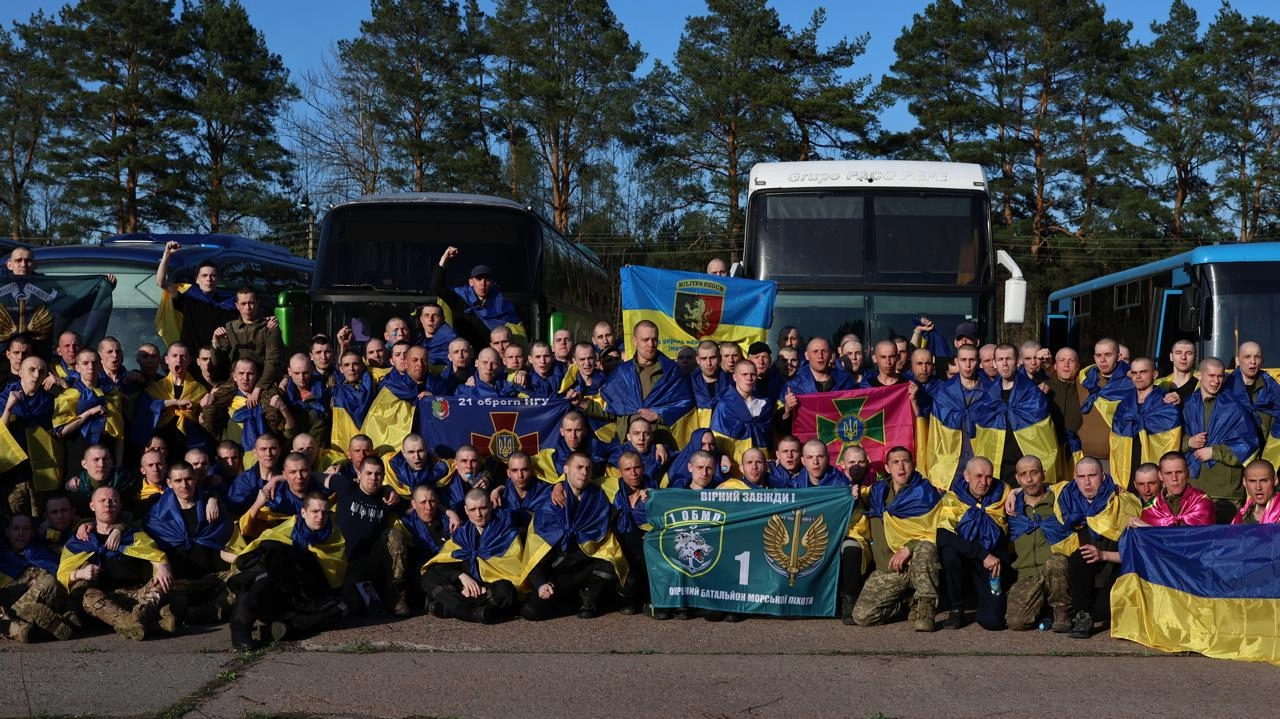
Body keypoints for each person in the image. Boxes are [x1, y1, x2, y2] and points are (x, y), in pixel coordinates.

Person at [227, 492, 347, 650]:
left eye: (325, 512)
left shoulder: (335, 535)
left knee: (340, 609)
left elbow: (333, 576)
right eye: (315, 511)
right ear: (303, 512)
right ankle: (240, 629)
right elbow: (253, 558)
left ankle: (284, 629)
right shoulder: (285, 531)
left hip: (309, 594)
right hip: (276, 592)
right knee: (261, 576)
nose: (320, 516)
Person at [58, 486, 173, 641]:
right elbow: (62, 574)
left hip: (137, 595)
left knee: (161, 581)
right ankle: (137, 621)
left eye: (113, 500)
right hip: (105, 600)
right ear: (92, 506)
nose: (108, 504)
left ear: (119, 505)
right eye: (102, 500)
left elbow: (156, 556)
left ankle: (137, 621)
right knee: (88, 598)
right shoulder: (80, 540)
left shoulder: (133, 534)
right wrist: (79, 574)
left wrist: (163, 567)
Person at [521, 453, 627, 620]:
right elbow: (537, 549)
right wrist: (540, 583)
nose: (584, 472)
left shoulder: (597, 495)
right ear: (566, 470)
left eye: (588, 468)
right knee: (531, 612)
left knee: (609, 564)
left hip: (586, 565)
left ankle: (588, 600)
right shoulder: (550, 502)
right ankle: (572, 602)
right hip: (558, 570)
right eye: (579, 467)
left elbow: (626, 485)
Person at [852, 446, 943, 631]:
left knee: (926, 548)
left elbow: (938, 530)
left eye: (905, 461)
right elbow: (849, 495)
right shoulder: (877, 493)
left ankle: (925, 610)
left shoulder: (927, 493)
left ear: (914, 464)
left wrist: (909, 547)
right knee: (862, 616)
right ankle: (908, 602)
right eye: (895, 462)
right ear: (887, 468)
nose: (901, 467)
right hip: (889, 569)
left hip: (917, 565)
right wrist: (851, 492)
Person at [1052, 456, 1140, 639]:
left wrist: (1104, 555)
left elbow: (1136, 548)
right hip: (1086, 562)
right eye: (1081, 477)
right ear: (1075, 479)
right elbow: (1036, 487)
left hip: (1115, 559)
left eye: (1092, 476)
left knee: (1103, 609)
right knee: (1078, 558)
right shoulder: (1067, 498)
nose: (1087, 482)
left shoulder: (1121, 501)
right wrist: (1014, 491)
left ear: (1103, 476)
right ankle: (1082, 615)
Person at [143, 462, 232, 626]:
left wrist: (213, 498)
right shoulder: (156, 515)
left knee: (243, 577)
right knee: (154, 591)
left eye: (188, 479)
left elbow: (224, 544)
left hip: (211, 579)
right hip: (177, 582)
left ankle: (198, 614)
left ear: (195, 479)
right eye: (178, 481)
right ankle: (143, 620)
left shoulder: (213, 508)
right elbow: (147, 548)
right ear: (169, 483)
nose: (184, 485)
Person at [422, 489, 527, 624]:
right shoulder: (463, 533)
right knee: (428, 577)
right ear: (465, 510)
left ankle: (455, 609)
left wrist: (482, 588)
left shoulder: (506, 529)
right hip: (468, 584)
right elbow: (441, 563)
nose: (478, 514)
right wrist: (460, 576)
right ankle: (474, 612)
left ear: (490, 505)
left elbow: (515, 571)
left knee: (506, 590)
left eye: (482, 508)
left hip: (491, 587)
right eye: (472, 510)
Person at [1181, 357, 1258, 523]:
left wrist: (1214, 452)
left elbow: (1249, 444)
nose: (1216, 381)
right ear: (1199, 375)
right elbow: (1168, 440)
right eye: (1211, 376)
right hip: (1191, 489)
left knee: (1224, 544)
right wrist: (1188, 443)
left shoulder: (1235, 407)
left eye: (1220, 376)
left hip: (1225, 493)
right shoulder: (1185, 405)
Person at [935, 457, 1008, 631]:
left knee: (993, 622)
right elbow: (942, 535)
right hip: (968, 557)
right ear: (967, 476)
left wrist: (1016, 492)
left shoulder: (1004, 493)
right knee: (949, 552)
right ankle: (956, 607)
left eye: (989, 477)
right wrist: (981, 554)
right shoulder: (953, 498)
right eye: (978, 476)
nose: (984, 482)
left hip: (992, 563)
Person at [972, 343, 1058, 487]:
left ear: (1017, 361)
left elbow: (1045, 440)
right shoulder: (987, 397)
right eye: (1000, 359)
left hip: (1027, 472)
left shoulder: (1033, 394)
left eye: (1009, 359)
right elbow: (981, 440)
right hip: (997, 468)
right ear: (994, 363)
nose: (1004, 364)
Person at [1003, 456, 1071, 633]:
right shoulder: (1011, 506)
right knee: (1016, 623)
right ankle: (1043, 609)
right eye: (1023, 475)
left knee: (1056, 561)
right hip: (1027, 575)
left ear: (1043, 474)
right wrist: (1014, 492)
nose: (1029, 479)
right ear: (1017, 479)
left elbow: (1087, 486)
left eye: (1034, 473)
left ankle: (1062, 611)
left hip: (1056, 572)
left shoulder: (1060, 499)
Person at [598, 321, 693, 447]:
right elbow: (611, 406)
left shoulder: (671, 371)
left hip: (662, 443)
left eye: (654, 339)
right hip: (627, 445)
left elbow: (685, 404)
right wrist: (583, 404)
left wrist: (658, 415)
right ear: (635, 341)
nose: (651, 344)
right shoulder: (622, 372)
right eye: (645, 340)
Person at [1108, 357, 1182, 488]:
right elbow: (1115, 444)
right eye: (1134, 373)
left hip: (1153, 475)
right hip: (1128, 471)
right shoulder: (1123, 406)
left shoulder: (1167, 405)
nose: (1138, 376)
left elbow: (1171, 444)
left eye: (1143, 372)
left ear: (1155, 374)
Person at [0, 513, 74, 641]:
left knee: (50, 581)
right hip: (6, 604)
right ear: (7, 532)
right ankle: (42, 626)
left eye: (26, 529)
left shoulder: (39, 551)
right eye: (16, 528)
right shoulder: (3, 556)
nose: (21, 533)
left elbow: (57, 574)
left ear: (33, 532)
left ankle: (32, 624)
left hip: (34, 599)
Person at [432, 248, 525, 349]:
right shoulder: (459, 299)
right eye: (479, 278)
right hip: (466, 357)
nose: (483, 283)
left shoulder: (503, 305)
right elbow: (437, 287)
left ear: (492, 283)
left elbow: (516, 331)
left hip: (492, 358)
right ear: (471, 282)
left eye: (487, 279)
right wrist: (444, 258)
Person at [155, 243, 237, 354]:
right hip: (191, 360)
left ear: (218, 279)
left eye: (213, 276)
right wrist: (167, 255)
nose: (209, 279)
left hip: (217, 360)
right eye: (204, 275)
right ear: (197, 280)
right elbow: (161, 283)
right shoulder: (188, 298)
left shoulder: (228, 305)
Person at [134, 343, 208, 465]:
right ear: (167, 360)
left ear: (189, 361)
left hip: (190, 445)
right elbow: (145, 409)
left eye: (183, 356)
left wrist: (200, 407)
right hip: (161, 447)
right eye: (174, 356)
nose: (178, 360)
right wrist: (173, 404)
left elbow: (206, 421)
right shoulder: (156, 388)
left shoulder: (199, 389)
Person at [201, 358, 294, 455]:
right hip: (234, 460)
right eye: (241, 373)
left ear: (258, 376)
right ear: (234, 376)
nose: (245, 378)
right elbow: (210, 427)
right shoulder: (222, 401)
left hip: (267, 456)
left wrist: (283, 407)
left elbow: (288, 431)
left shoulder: (270, 399)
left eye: (250, 374)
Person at [384, 485, 449, 615]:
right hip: (416, 575)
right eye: (423, 502)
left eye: (432, 501)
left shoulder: (449, 523)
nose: (428, 507)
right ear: (413, 504)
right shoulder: (405, 524)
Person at [926, 344, 983, 488]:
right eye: (963, 360)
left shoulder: (991, 391)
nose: (968, 365)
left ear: (979, 361)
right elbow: (935, 436)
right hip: (951, 468)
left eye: (972, 360)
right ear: (956, 362)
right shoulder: (943, 393)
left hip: (982, 464)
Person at [212, 288, 284, 394]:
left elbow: (272, 362)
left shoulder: (269, 327)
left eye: (251, 303)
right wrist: (215, 342)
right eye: (243, 303)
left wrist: (259, 388)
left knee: (271, 408)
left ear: (257, 303)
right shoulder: (230, 328)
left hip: (262, 382)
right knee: (210, 406)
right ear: (237, 306)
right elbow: (218, 362)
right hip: (235, 382)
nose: (248, 307)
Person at [709, 360, 775, 467]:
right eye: (744, 374)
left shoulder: (764, 403)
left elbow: (769, 435)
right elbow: (718, 439)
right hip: (735, 463)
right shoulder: (724, 405)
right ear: (735, 377)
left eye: (752, 374)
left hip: (761, 461)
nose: (749, 378)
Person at [1078, 338, 1131, 461]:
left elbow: (1155, 388)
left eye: (1108, 355)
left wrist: (1171, 395)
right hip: (1083, 458)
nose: (1102, 360)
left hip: (1117, 460)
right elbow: (1058, 378)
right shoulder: (1083, 379)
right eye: (1098, 355)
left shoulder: (1132, 382)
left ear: (1118, 356)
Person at [1134, 453, 1214, 526]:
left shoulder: (1202, 501)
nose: (1174, 478)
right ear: (1160, 476)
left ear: (1188, 473)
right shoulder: (1151, 508)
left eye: (1179, 472)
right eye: (1168, 473)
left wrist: (1147, 527)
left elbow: (1199, 538)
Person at [1045, 347, 1083, 481]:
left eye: (1071, 361)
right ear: (1055, 365)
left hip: (1077, 454)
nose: (1066, 364)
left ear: (1078, 366)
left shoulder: (1084, 389)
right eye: (1062, 360)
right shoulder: (1043, 388)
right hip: (1050, 452)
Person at [489, 451, 549, 531]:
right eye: (514, 470)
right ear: (508, 473)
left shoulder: (545, 492)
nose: (520, 475)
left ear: (531, 470)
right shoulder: (500, 496)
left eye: (524, 470)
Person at [383, 433, 445, 500]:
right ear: (403, 453)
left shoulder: (440, 468)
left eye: (420, 451)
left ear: (427, 451)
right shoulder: (388, 466)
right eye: (411, 452)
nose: (417, 457)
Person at [688, 340, 727, 429]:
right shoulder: (688, 384)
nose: (708, 363)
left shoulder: (732, 384)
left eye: (712, 358)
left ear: (720, 358)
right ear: (697, 360)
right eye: (704, 358)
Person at [1233, 459, 1280, 524]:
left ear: (1275, 480)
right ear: (1244, 482)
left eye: (1264, 481)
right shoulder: (1241, 516)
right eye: (1252, 481)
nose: (1258, 487)